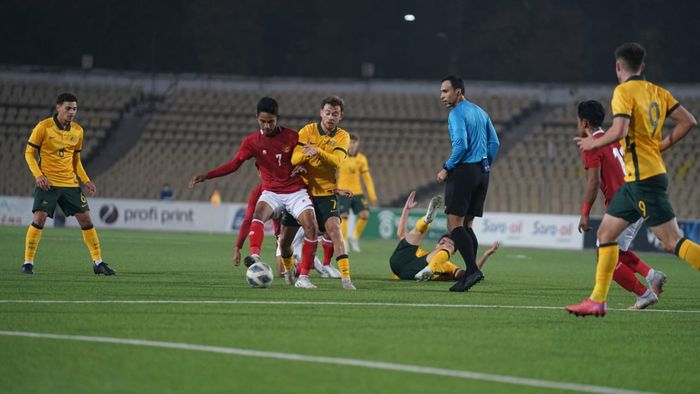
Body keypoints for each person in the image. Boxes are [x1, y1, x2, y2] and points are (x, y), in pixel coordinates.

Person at [568, 42, 699, 317]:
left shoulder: (623, 91)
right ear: (643, 66)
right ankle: (597, 301)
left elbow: (620, 129)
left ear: (619, 67)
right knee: (605, 235)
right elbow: (689, 121)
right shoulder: (658, 92)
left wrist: (593, 144)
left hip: (644, 180)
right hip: (635, 180)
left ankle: (635, 292)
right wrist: (661, 146)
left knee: (671, 241)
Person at [188, 97, 319, 286]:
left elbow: (306, 157)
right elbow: (234, 164)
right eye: (262, 121)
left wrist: (304, 166)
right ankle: (255, 256)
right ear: (257, 118)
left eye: (270, 122)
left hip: (295, 190)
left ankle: (304, 277)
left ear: (278, 119)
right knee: (258, 214)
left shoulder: (292, 136)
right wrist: (207, 175)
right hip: (272, 191)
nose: (266, 126)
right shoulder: (251, 142)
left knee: (310, 226)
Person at [576, 100, 666, 310]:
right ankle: (652, 275)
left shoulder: (592, 144)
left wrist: (585, 213)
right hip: (637, 197)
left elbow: (593, 181)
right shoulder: (614, 139)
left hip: (624, 205)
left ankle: (644, 295)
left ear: (585, 122)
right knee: (617, 251)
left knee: (604, 256)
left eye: (578, 120)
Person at [21, 93, 115, 275]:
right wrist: (38, 175)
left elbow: (76, 159)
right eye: (68, 108)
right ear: (58, 107)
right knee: (39, 219)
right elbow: (29, 153)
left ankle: (98, 262)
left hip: (70, 183)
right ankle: (28, 263)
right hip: (47, 183)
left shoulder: (78, 131)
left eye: (74, 109)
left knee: (86, 220)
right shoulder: (43, 127)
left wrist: (86, 180)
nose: (72, 112)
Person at [436, 75, 500, 292]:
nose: (442, 96)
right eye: (441, 92)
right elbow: (495, 143)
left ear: (459, 92)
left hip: (464, 171)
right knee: (467, 225)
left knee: (453, 225)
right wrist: (484, 164)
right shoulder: (481, 112)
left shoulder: (456, 114)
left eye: (446, 91)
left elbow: (461, 145)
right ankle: (471, 272)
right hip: (482, 172)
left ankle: (472, 270)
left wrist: (447, 167)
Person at [283, 96, 354, 289]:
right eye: (328, 113)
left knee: (335, 231)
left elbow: (337, 161)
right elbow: (294, 158)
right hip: (300, 192)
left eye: (335, 114)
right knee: (285, 240)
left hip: (325, 192)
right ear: (321, 112)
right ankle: (290, 270)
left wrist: (317, 152)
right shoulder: (307, 130)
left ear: (341, 116)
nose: (331, 117)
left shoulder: (342, 136)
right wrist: (305, 156)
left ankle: (345, 279)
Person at [390, 191, 499, 282]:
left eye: (450, 244)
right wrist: (406, 210)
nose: (445, 244)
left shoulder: (448, 266)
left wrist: (485, 255)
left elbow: (469, 273)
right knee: (419, 232)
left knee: (441, 245)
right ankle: (426, 219)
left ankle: (429, 270)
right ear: (436, 244)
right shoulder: (420, 253)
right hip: (398, 262)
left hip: (411, 273)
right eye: (442, 242)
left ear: (454, 253)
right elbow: (401, 235)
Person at [338, 133, 377, 252]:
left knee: (365, 214)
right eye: (350, 142)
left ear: (357, 144)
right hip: (343, 191)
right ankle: (344, 241)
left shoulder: (361, 159)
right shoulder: (341, 156)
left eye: (354, 142)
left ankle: (354, 237)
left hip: (357, 192)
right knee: (344, 215)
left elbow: (367, 177)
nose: (351, 145)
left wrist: (372, 194)